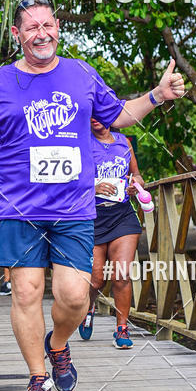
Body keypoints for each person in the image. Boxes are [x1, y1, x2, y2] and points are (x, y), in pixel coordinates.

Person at [0, 0, 185, 391]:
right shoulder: (1, 82)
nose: (41, 34)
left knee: (75, 296)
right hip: (21, 210)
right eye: (31, 28)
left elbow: (119, 116)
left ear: (57, 27)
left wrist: (158, 94)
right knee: (25, 292)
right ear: (17, 34)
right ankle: (37, 377)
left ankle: (58, 344)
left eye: (48, 25)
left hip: (74, 210)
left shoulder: (80, 73)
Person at [79, 119, 146, 348]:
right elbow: (70, 180)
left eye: (101, 114)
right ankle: (88, 307)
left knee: (121, 274)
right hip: (92, 216)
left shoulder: (123, 142)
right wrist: (93, 186)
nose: (96, 119)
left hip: (122, 215)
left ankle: (122, 328)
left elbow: (137, 175)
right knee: (97, 278)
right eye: (92, 115)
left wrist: (134, 185)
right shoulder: (81, 143)